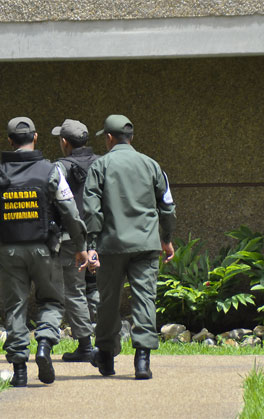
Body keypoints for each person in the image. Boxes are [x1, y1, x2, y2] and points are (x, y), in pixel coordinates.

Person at [0, 116, 88, 387]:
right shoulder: (50, 170)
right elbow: (70, 209)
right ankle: (44, 345)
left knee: (16, 307)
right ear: (35, 138)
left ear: (10, 141)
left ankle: (20, 371)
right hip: (45, 249)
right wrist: (80, 246)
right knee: (51, 301)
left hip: (9, 250)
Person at [83, 114, 176, 380]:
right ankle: (142, 361)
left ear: (109, 138)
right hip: (146, 245)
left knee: (108, 302)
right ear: (131, 138)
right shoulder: (151, 165)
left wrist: (91, 244)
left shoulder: (100, 166)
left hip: (111, 245)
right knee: (145, 298)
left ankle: (106, 357)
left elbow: (91, 209)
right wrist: (166, 238)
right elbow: (167, 205)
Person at [51, 119, 100, 362]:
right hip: (100, 236)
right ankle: (105, 339)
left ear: (64, 142)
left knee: (74, 290)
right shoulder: (102, 162)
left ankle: (85, 346)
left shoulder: (60, 166)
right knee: (94, 287)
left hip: (73, 238)